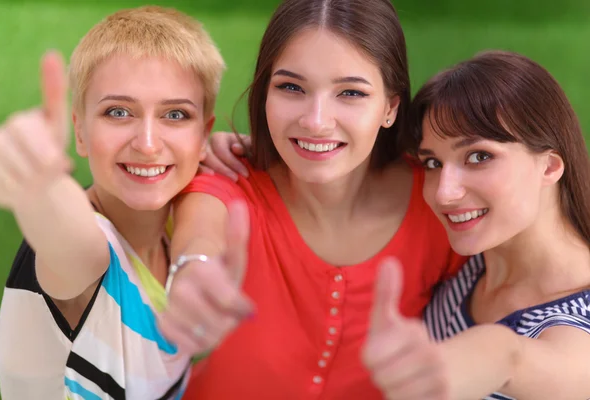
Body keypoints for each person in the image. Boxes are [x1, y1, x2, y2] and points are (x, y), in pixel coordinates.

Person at [159, 0, 464, 399]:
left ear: (390, 107)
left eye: (350, 92)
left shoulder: (439, 201)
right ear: (265, 92)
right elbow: (201, 234)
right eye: (291, 87)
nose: (316, 120)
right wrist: (194, 272)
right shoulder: (231, 180)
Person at [0, 6, 245, 399]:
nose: (146, 143)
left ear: (203, 135)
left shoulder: (177, 228)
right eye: (118, 112)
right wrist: (38, 190)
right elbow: (70, 238)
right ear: (80, 130)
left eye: (175, 114)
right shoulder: (89, 253)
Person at [362, 50, 590, 399]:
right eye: (433, 163)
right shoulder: (473, 257)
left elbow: (511, 358)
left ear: (549, 167)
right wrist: (263, 159)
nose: (444, 194)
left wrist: (490, 353)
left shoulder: (577, 325)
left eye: (479, 156)